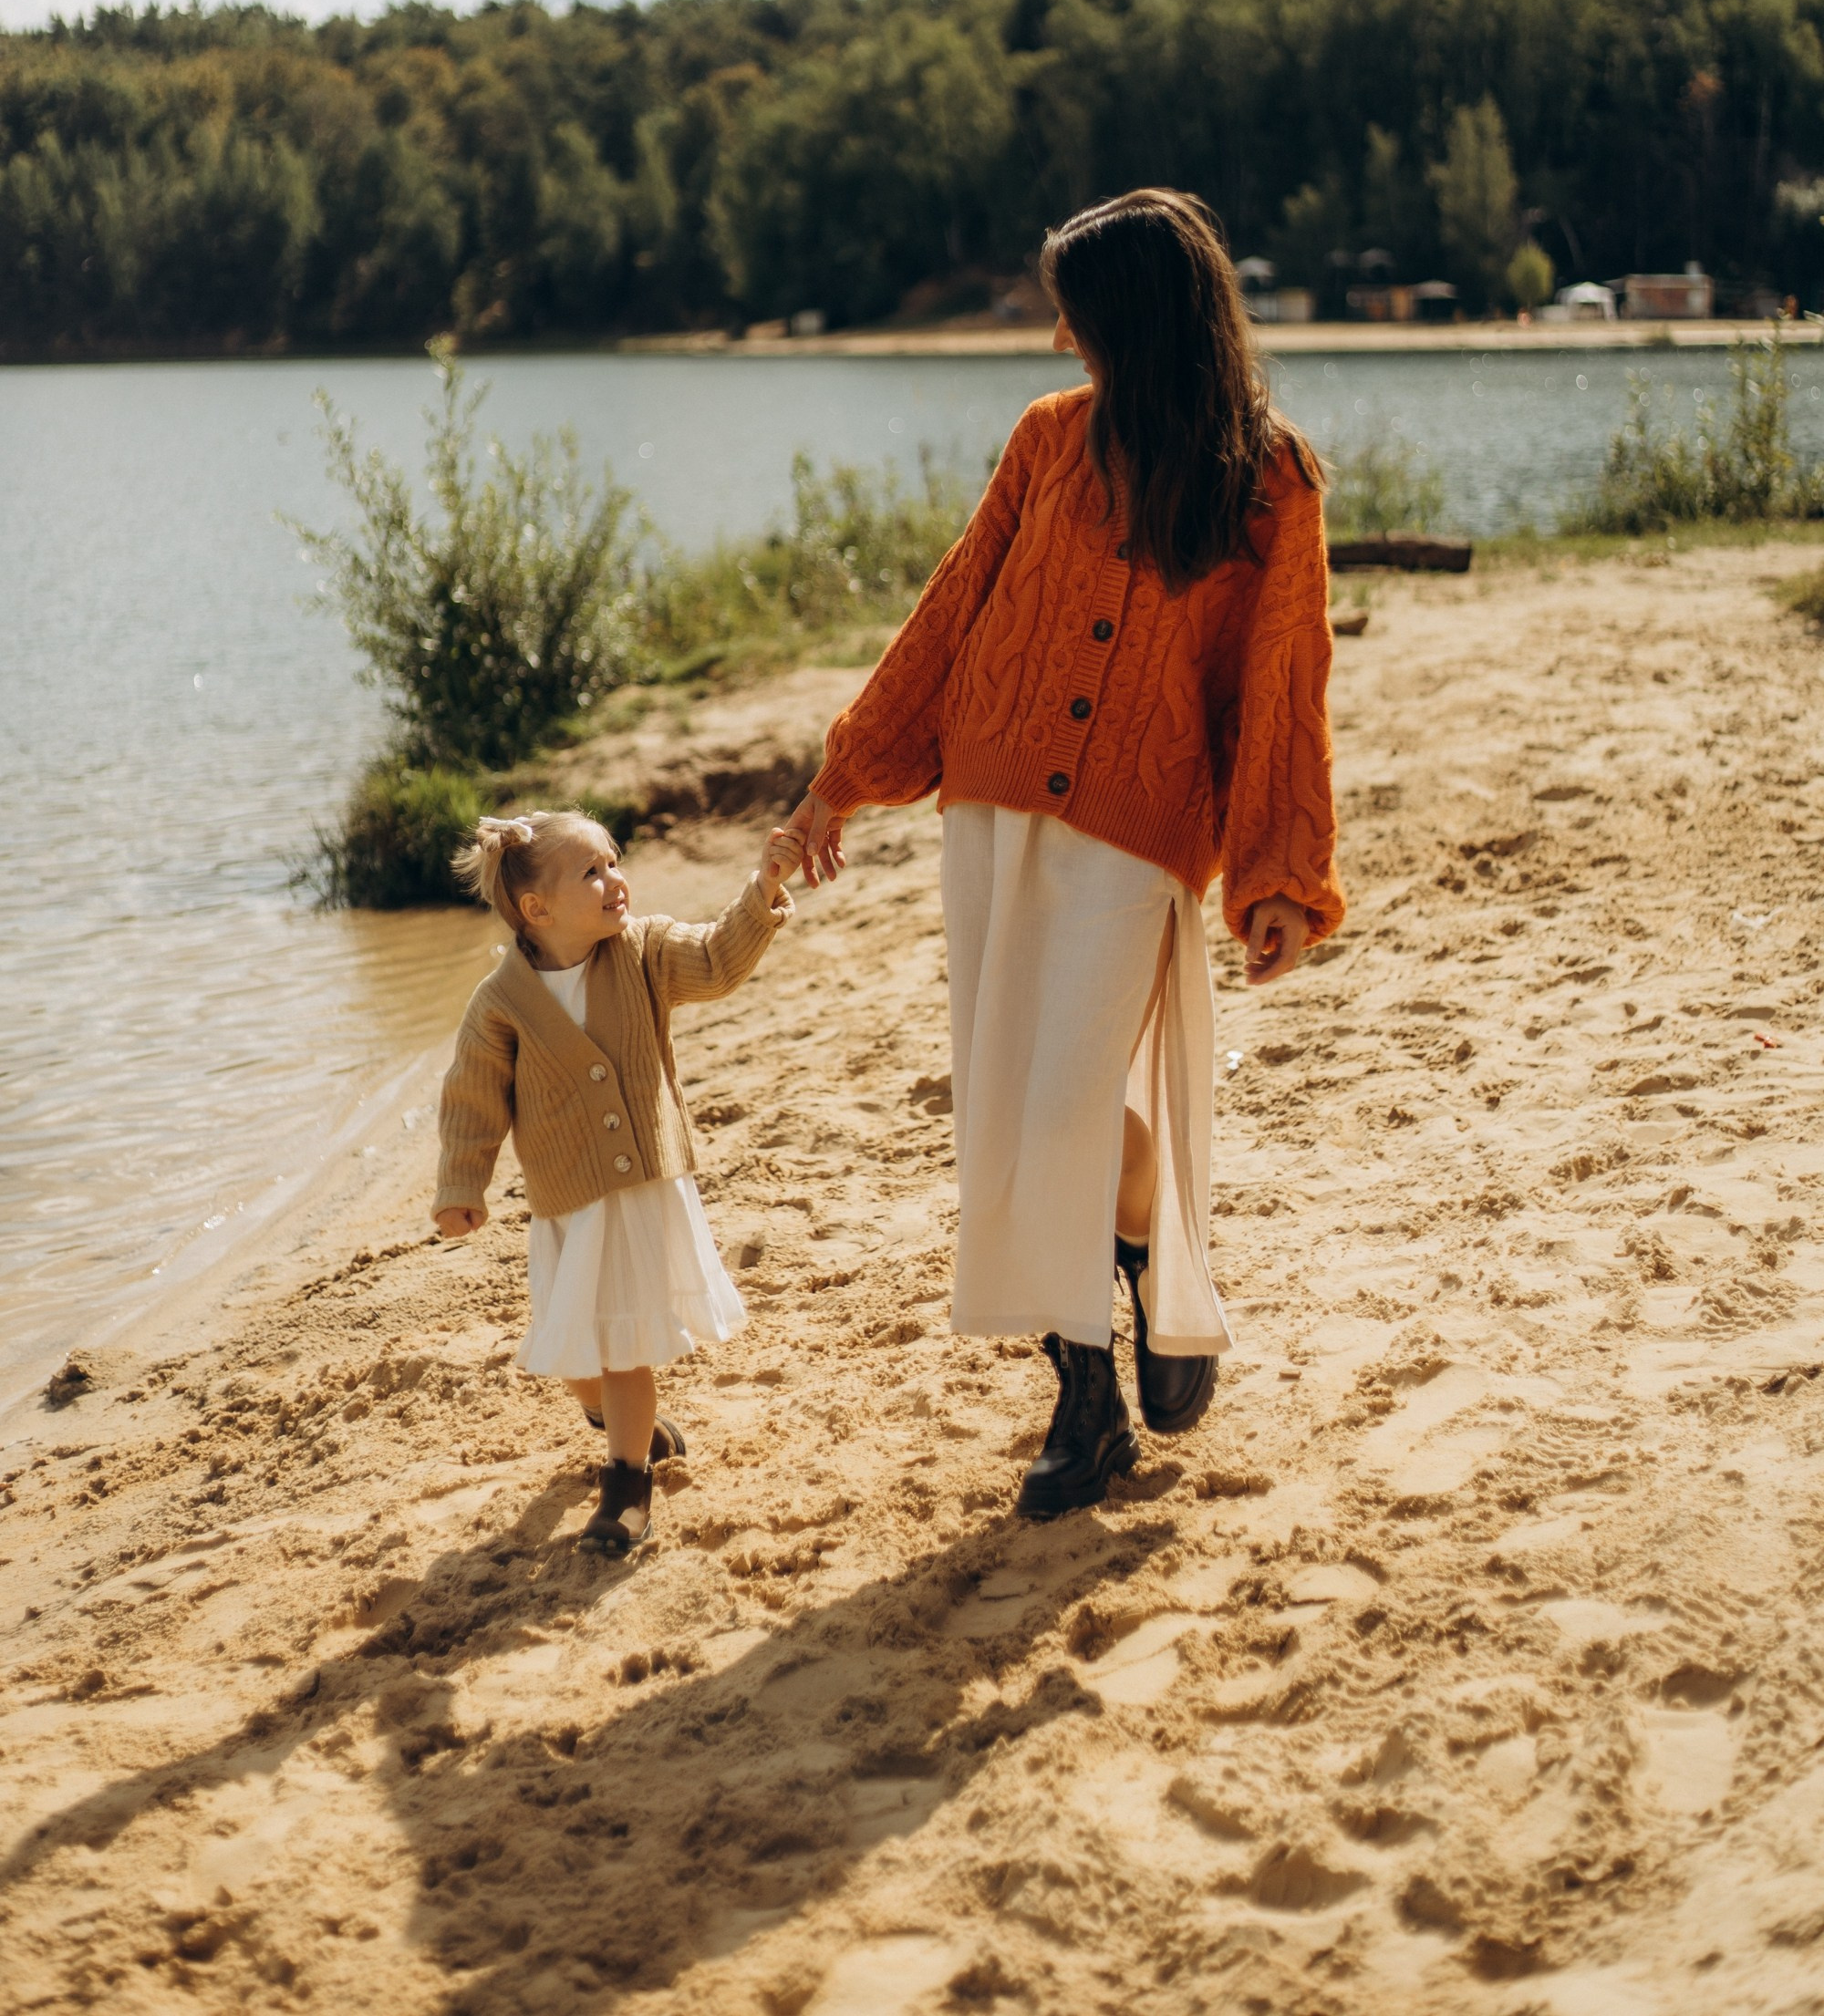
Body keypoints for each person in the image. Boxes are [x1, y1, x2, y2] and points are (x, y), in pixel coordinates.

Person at [785, 189, 1343, 1518]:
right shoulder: (1045, 441)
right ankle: (1086, 1399)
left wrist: (1277, 877)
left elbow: (1283, 689)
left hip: (1139, 832)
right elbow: (955, 608)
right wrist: (840, 779)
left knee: (1066, 1106)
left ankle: (1148, 1263)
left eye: (1075, 315)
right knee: (1010, 1115)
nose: (1055, 340)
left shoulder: (1271, 479)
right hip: (989, 805)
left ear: (1135, 321)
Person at [434, 809, 797, 1555]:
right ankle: (612, 1419)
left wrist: (761, 891)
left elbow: (717, 960)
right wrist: (461, 1186)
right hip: (568, 1204)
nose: (614, 880)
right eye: (592, 872)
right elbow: (473, 1099)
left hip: (639, 1196)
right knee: (576, 1356)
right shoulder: (500, 1004)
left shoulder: (644, 952)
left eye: (615, 860)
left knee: (626, 1346)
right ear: (537, 910)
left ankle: (627, 1482)